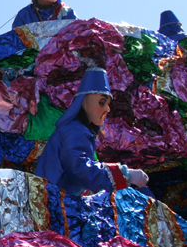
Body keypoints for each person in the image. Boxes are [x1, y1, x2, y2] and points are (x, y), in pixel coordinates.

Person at [35, 67, 149, 197]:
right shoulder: (75, 131)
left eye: (108, 104)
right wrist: (124, 174)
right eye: (101, 102)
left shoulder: (73, 129)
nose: (107, 109)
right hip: (57, 204)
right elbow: (80, 171)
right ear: (84, 101)